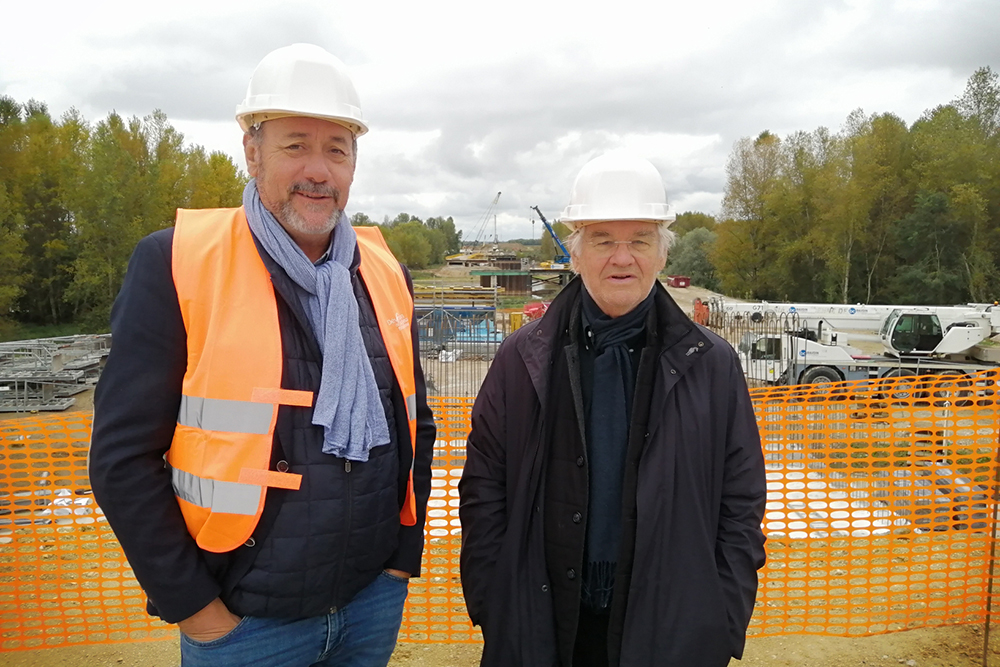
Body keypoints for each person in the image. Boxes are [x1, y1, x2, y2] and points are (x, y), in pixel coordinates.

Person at [89, 44, 435, 667]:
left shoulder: (384, 272)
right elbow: (121, 460)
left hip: (369, 602)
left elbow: (416, 422)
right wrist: (198, 610)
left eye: (337, 149)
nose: (319, 170)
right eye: (295, 144)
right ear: (252, 151)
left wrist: (399, 561)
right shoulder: (176, 263)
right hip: (244, 623)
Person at [459, 152, 766, 667]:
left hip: (671, 632)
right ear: (574, 254)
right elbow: (484, 486)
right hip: (541, 628)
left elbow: (740, 503)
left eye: (639, 241)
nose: (622, 258)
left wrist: (719, 617)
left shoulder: (711, 365)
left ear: (663, 254)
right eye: (603, 240)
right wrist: (497, 601)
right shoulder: (522, 358)